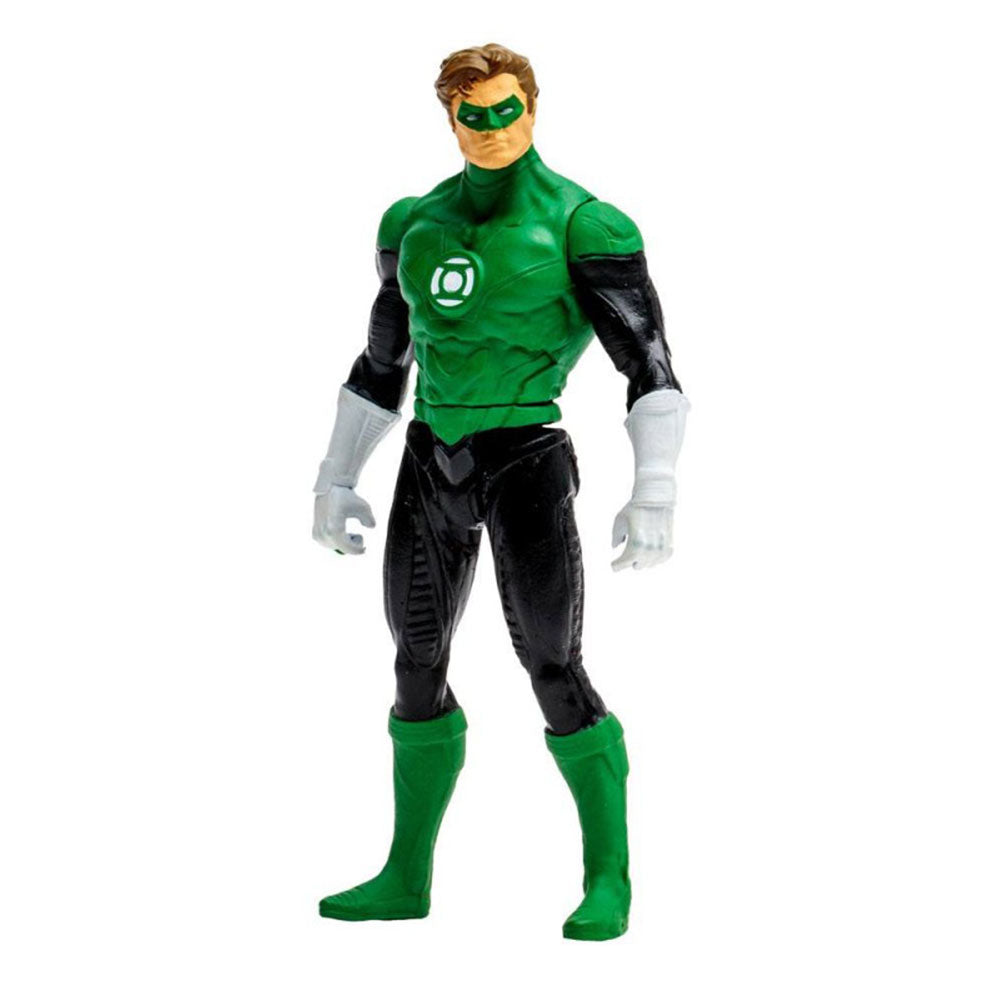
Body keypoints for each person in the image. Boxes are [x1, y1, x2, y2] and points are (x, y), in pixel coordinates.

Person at [312, 43, 689, 941]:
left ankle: (609, 877)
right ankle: (406, 874)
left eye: (505, 110)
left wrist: (656, 488)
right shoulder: (414, 223)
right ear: (449, 118)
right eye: (471, 115)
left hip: (526, 456)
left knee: (553, 665)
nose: (491, 128)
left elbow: (650, 364)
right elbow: (382, 361)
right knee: (414, 663)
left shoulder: (584, 224)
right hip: (430, 457)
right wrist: (335, 474)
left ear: (533, 107)